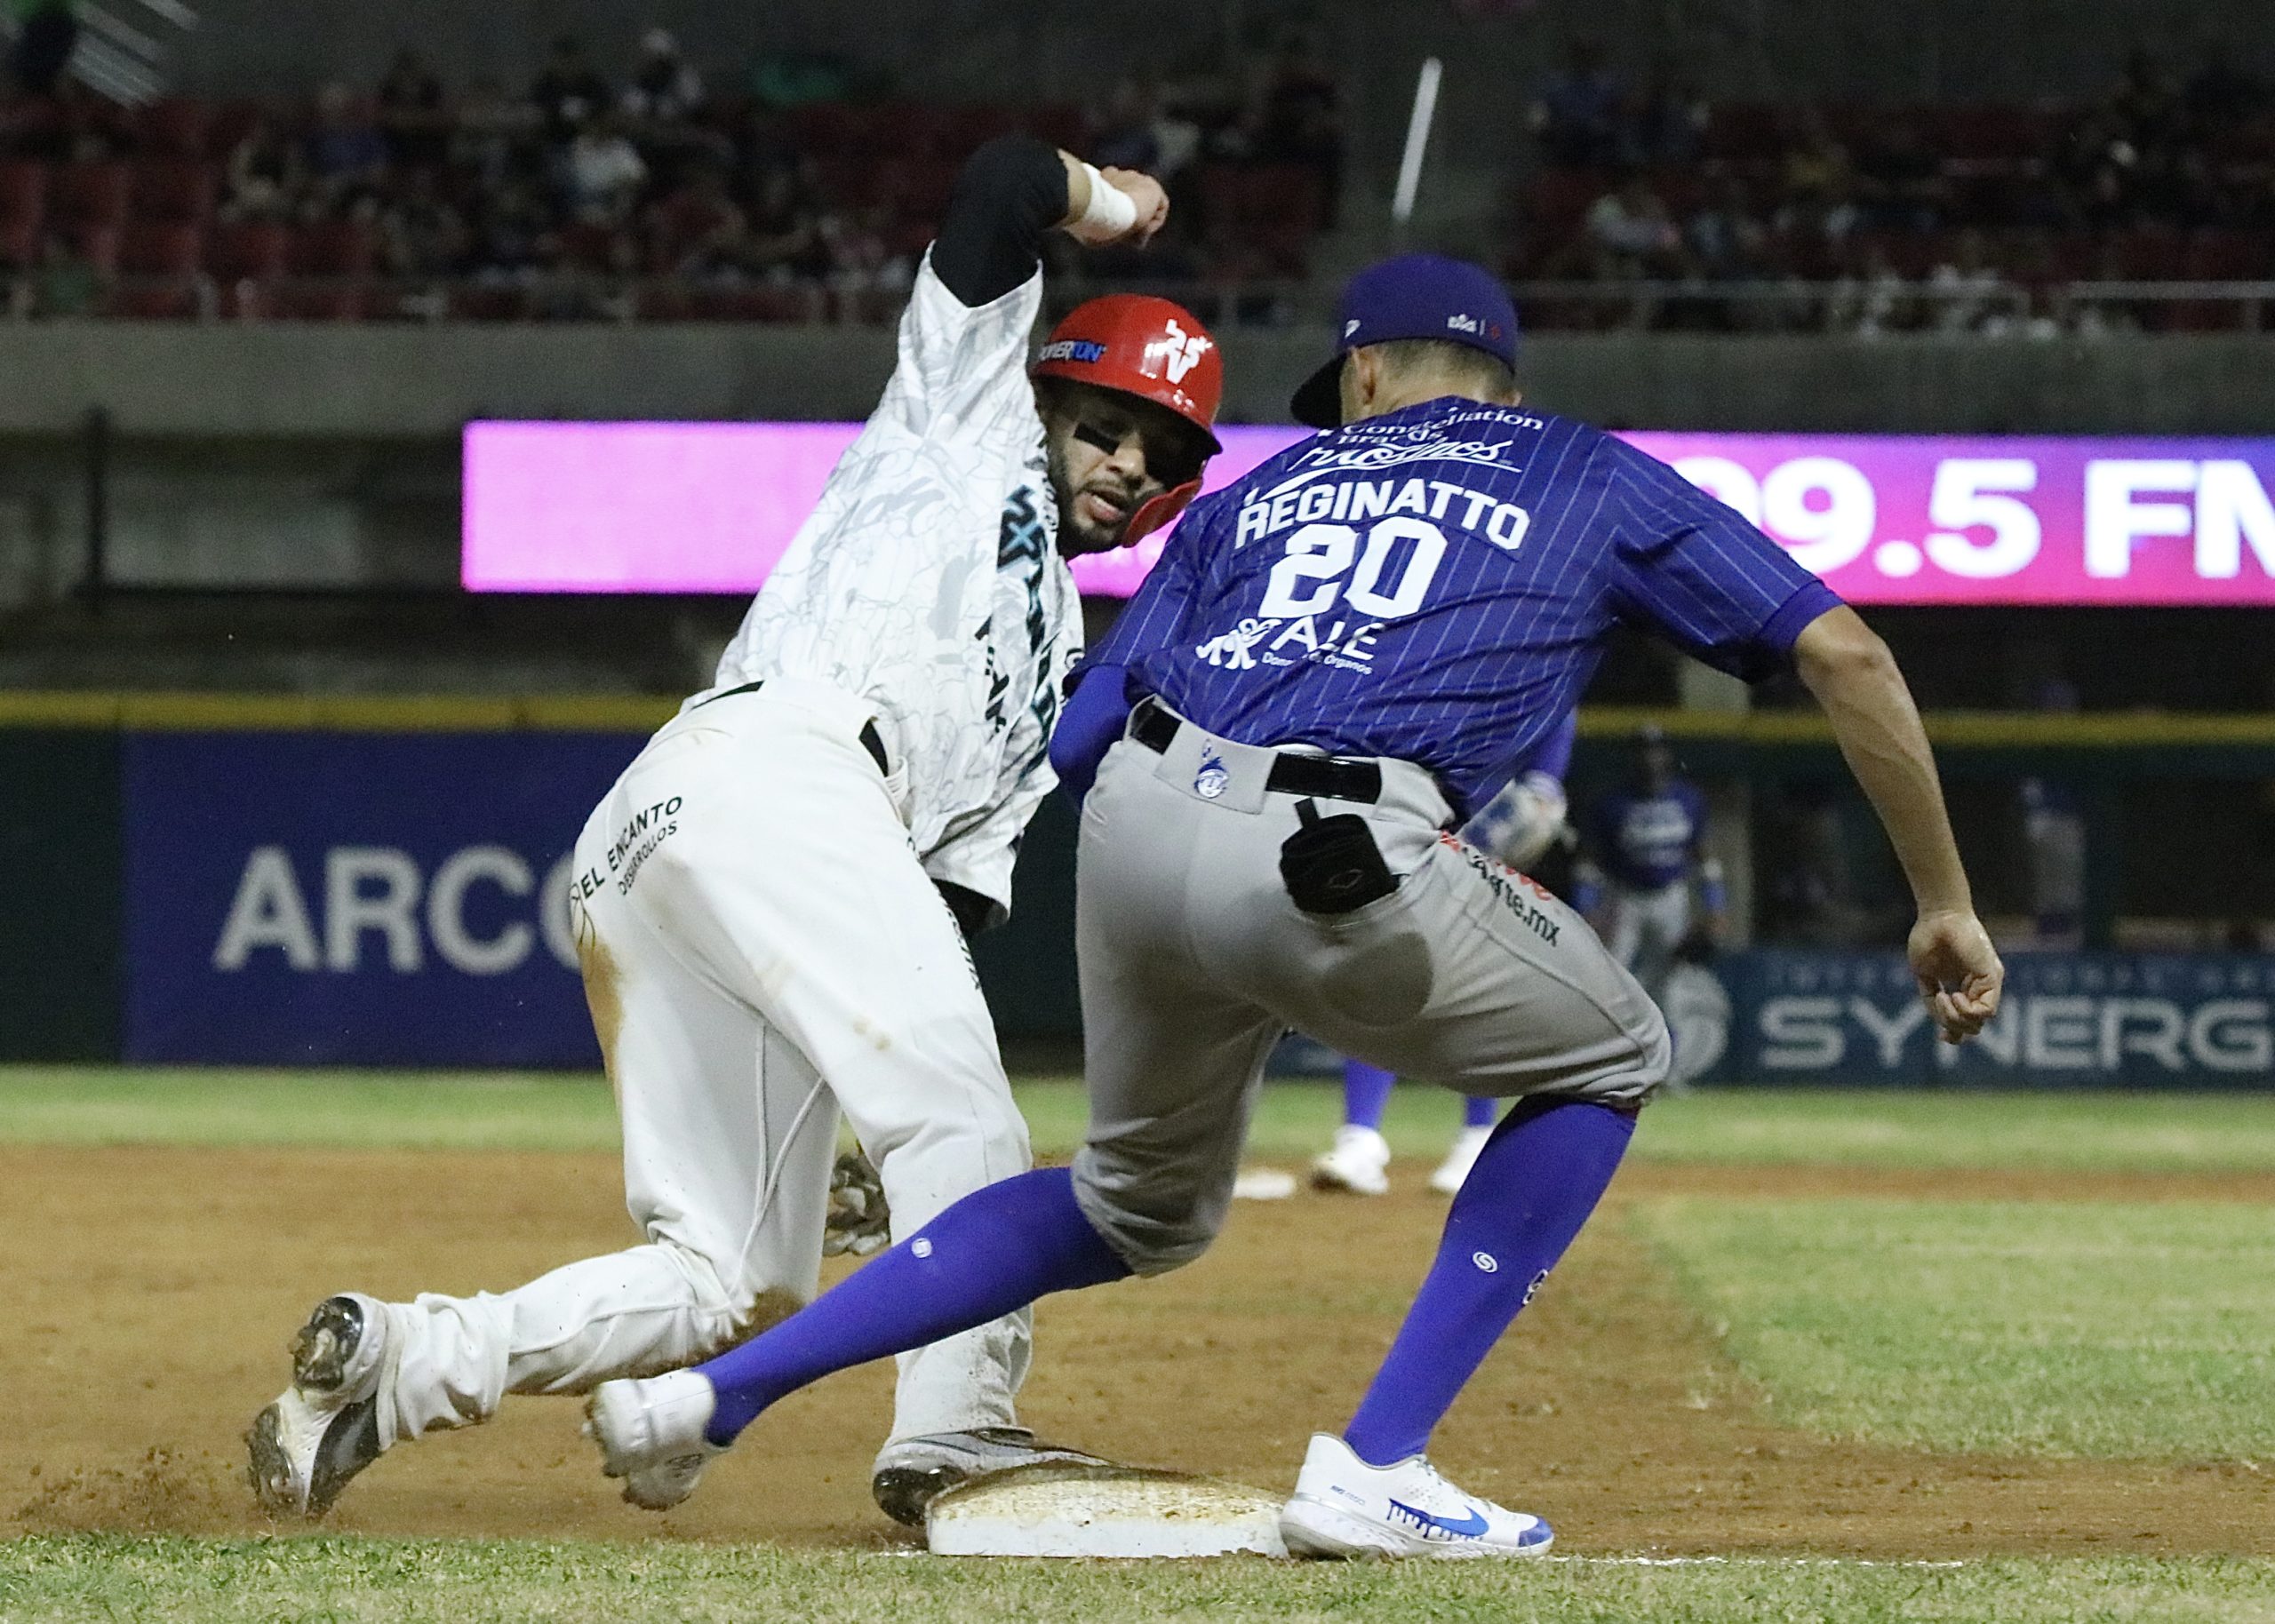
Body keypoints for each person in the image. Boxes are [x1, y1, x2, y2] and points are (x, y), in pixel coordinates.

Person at [584, 252, 2003, 1559]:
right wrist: (1941, 898)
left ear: (1366, 377)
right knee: (1613, 1053)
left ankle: (711, 1399)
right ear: (1505, 381)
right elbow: (1849, 655)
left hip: (1134, 831)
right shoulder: (1587, 472)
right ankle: (1379, 1461)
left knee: (1129, 1201)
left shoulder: (1257, 497)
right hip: (1336, 838)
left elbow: (1080, 733)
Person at [246, 134, 1222, 1529]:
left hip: (712, 835)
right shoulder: (967, 416)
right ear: (1048, 401)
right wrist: (1116, 205)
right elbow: (1002, 179)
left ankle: (393, 1369)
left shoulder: (1057, 665)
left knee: (731, 1281)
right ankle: (961, 1434)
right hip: (778, 765)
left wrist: (844, 1117)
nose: (1128, 461)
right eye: (1108, 424)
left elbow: (945, 911)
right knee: (972, 1133)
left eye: (1162, 452)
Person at [1311, 712, 1576, 1197]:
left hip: (1481, 845)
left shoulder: (1543, 660)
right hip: (1412, 816)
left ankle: (1477, 1138)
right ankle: (1360, 1139)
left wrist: (1471, 845)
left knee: (1479, 984)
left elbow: (1541, 794)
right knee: (1379, 969)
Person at [1574, 723, 1720, 1010]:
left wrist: (1715, 906)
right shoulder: (1612, 803)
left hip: (1671, 897)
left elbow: (1706, 858)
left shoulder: (1688, 799)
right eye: (1643, 751)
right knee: (1608, 978)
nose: (1650, 759)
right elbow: (1589, 862)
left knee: (1667, 986)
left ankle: (1668, 1052)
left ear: (1667, 754)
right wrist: (1584, 909)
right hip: (1624, 896)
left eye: (1656, 750)